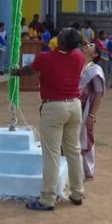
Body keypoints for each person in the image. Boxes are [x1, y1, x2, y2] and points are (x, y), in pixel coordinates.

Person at [23, 28, 86, 211]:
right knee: (73, 151)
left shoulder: (45, 58)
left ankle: (47, 199)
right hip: (74, 106)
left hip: (54, 107)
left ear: (62, 43)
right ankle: (77, 193)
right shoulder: (78, 57)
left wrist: (16, 72)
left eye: (60, 36)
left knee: (52, 155)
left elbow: (30, 70)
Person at [79, 42, 106, 181]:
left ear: (95, 54)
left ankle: (86, 170)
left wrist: (92, 114)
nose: (86, 45)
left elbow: (99, 93)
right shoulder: (76, 65)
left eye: (90, 45)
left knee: (85, 137)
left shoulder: (95, 70)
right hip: (72, 107)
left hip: (85, 109)